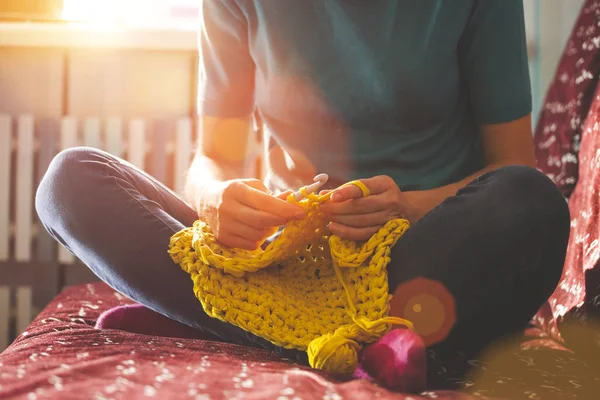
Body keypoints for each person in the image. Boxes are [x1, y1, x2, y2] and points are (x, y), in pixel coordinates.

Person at [36, 0, 570, 379]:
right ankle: (357, 339)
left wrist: (407, 205)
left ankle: (219, 318)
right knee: (68, 181)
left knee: (533, 203)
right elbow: (212, 159)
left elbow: (510, 166)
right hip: (275, 261)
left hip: (415, 252)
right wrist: (216, 198)